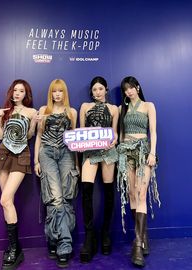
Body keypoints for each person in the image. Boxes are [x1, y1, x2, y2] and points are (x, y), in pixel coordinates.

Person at [0, 79, 40, 270]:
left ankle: (14, 249)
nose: (17, 93)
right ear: (11, 92)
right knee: (8, 202)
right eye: (15, 90)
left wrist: (34, 123)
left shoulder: (31, 112)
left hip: (21, 154)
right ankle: (15, 249)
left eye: (21, 91)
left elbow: (29, 136)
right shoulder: (5, 111)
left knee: (4, 200)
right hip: (3, 154)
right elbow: (0, 136)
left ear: (26, 94)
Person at [34, 79, 79, 268]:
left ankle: (53, 239)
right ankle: (64, 245)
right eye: (54, 91)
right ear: (51, 93)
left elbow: (75, 137)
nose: (57, 94)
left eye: (61, 91)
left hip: (67, 153)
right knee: (55, 197)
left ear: (65, 93)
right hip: (47, 153)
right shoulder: (44, 110)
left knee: (67, 197)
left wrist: (76, 163)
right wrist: (36, 160)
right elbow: (38, 136)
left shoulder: (72, 112)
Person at [116, 76, 161, 267]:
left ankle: (137, 246)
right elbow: (119, 135)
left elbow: (154, 131)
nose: (129, 91)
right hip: (126, 152)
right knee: (132, 194)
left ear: (137, 87)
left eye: (131, 88)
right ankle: (143, 236)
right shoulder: (121, 108)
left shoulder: (149, 105)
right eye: (126, 89)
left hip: (143, 151)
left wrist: (152, 152)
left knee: (141, 194)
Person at [79, 76, 119, 263]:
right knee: (86, 190)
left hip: (108, 152)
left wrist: (114, 141)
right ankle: (89, 237)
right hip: (89, 151)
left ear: (106, 89)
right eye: (94, 89)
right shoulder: (85, 107)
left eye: (100, 89)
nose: (97, 92)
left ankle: (105, 233)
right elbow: (80, 131)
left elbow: (115, 132)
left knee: (109, 191)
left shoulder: (113, 109)